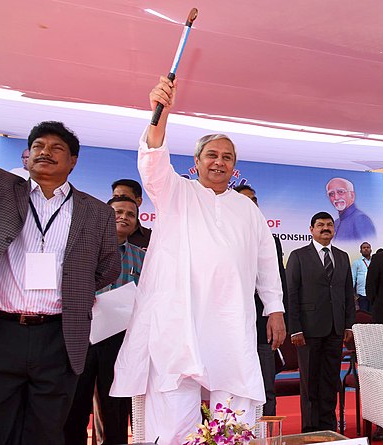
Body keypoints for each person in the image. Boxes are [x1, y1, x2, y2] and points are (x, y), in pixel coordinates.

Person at [110, 77, 286, 445]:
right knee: (174, 414)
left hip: (230, 321)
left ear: (235, 166)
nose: (219, 162)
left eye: (227, 157)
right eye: (212, 155)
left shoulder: (247, 209)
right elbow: (153, 161)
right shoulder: (176, 192)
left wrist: (274, 308)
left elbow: (265, 262)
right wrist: (162, 114)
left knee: (233, 411)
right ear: (197, 161)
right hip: (180, 320)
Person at [0, 121, 120, 445]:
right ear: (27, 156)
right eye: (37, 146)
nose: (45, 153)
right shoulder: (4, 191)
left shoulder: (96, 212)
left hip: (59, 335)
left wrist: (76, 288)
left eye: (56, 148)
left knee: (47, 431)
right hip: (2, 330)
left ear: (73, 161)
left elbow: (108, 268)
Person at [64, 196, 145, 445]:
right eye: (118, 212)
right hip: (84, 334)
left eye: (130, 214)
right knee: (77, 402)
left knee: (116, 407)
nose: (124, 217)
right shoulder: (83, 248)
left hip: (120, 339)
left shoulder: (142, 258)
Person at [287, 212, 355, 432]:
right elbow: (291, 294)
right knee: (310, 383)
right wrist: (295, 328)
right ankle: (310, 429)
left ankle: (328, 428)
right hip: (308, 330)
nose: (325, 228)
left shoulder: (343, 256)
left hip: (335, 330)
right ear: (311, 229)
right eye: (320, 225)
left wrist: (347, 325)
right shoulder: (298, 256)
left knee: (330, 381)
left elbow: (347, 294)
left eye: (329, 225)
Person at [234, 184, 289, 416]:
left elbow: (278, 281)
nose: (251, 204)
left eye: (254, 200)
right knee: (233, 389)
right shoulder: (218, 235)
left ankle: (267, 436)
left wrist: (278, 315)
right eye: (245, 200)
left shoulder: (269, 239)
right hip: (229, 327)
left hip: (261, 326)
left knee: (266, 386)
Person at [326, 177, 376, 242]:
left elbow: (368, 246)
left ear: (352, 195)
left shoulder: (360, 219)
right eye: (331, 194)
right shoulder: (336, 223)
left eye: (341, 192)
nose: (336, 197)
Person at [111, 178, 152, 248]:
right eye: (115, 197)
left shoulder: (152, 238)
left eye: (124, 197)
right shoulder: (95, 232)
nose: (120, 200)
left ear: (138, 201)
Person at [351, 242, 373, 311]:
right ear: (360, 251)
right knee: (364, 315)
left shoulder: (375, 261)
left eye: (368, 247)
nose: (366, 249)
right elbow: (353, 278)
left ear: (371, 250)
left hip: (373, 294)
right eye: (364, 248)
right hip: (361, 294)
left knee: (373, 316)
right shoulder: (356, 262)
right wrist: (353, 293)